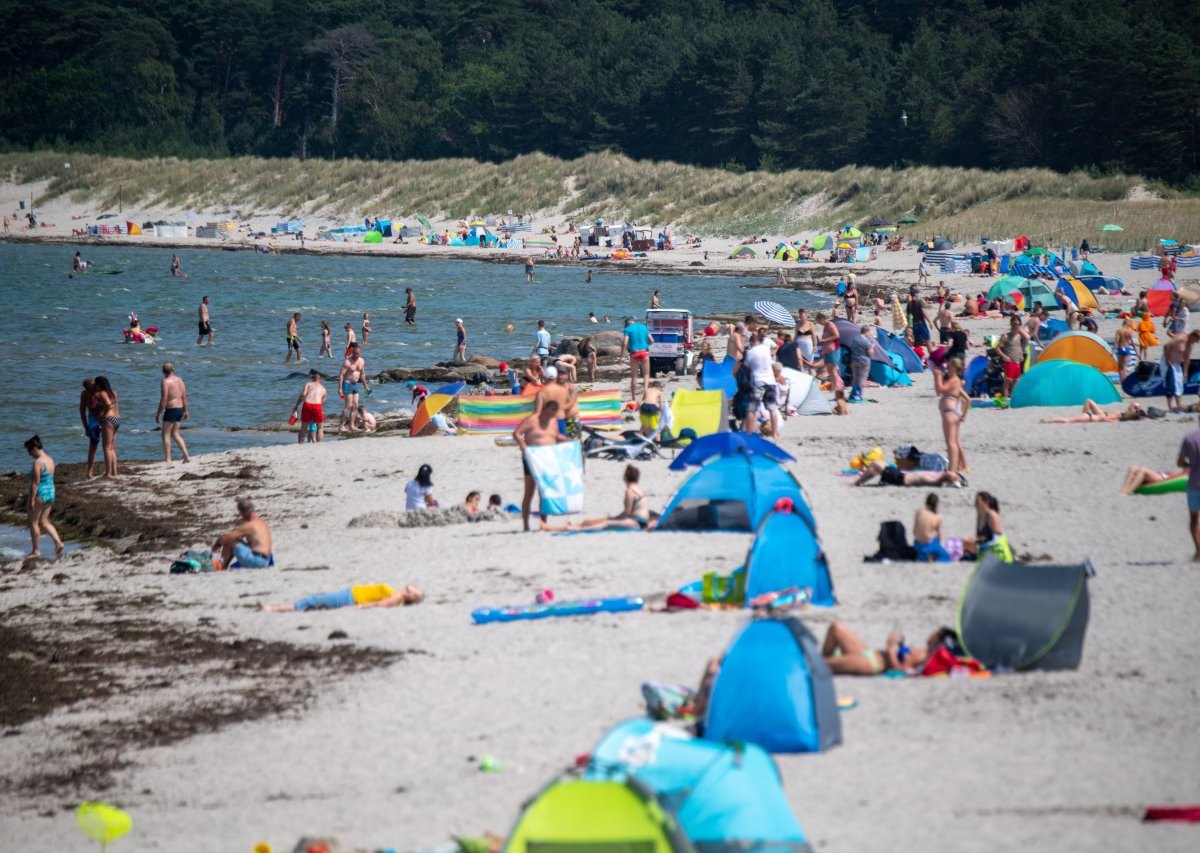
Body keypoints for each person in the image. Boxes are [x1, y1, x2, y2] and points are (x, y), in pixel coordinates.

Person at [513, 398, 570, 532]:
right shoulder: (532, 420)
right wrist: (522, 445)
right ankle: (526, 525)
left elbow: (555, 436)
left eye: (553, 414)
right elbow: (517, 433)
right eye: (550, 413)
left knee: (544, 492)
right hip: (532, 458)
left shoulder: (553, 422)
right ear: (544, 409)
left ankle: (543, 524)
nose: (551, 416)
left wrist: (568, 440)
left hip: (547, 459)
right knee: (529, 492)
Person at [542, 465, 652, 531]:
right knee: (588, 521)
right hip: (640, 521)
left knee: (603, 524)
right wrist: (613, 517)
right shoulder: (640, 489)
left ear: (625, 478)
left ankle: (565, 528)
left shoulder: (630, 491)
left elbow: (626, 513)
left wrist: (613, 518)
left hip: (636, 523)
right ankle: (577, 525)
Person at [821, 622, 955, 676]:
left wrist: (890, 647)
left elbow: (900, 670)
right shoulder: (922, 651)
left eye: (935, 633)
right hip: (869, 654)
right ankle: (824, 656)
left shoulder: (923, 655)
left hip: (872, 664)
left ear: (938, 640)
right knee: (836, 628)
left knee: (821, 665)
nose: (931, 634)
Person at [24, 435, 64, 559]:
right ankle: (58, 542)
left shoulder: (38, 463)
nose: (30, 454)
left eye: (30, 451)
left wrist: (31, 500)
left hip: (40, 494)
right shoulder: (50, 460)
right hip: (51, 493)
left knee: (33, 522)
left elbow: (36, 483)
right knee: (44, 521)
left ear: (34, 448)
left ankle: (36, 550)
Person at [261, 583, 424, 612]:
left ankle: (272, 608)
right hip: (350, 595)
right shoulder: (397, 593)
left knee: (311, 601)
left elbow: (380, 605)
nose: (415, 588)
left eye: (416, 593)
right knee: (313, 601)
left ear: (411, 597)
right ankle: (274, 608)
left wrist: (356, 608)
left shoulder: (397, 598)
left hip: (350, 599)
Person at [212, 497, 273, 570]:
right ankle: (222, 565)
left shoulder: (249, 525)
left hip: (255, 561)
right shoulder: (262, 523)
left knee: (230, 540)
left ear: (243, 513)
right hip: (265, 561)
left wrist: (214, 548)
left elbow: (225, 539)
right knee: (235, 540)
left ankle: (220, 566)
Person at [933, 358, 969, 472]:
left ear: (954, 367)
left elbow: (941, 390)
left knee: (951, 443)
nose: (946, 369)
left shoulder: (954, 380)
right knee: (955, 441)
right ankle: (961, 466)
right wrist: (963, 414)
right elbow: (968, 399)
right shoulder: (957, 380)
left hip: (949, 413)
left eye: (948, 367)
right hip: (953, 412)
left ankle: (952, 470)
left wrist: (937, 376)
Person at [744, 327, 779, 435]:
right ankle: (775, 433)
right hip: (771, 380)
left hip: (758, 380)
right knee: (772, 408)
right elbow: (771, 359)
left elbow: (747, 367)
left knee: (752, 409)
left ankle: (749, 434)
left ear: (751, 342)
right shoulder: (765, 349)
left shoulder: (750, 352)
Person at [155, 362, 191, 464]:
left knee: (165, 434)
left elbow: (164, 399)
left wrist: (159, 413)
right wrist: (185, 410)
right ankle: (186, 456)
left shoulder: (165, 382)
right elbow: (184, 397)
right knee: (175, 434)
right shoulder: (180, 380)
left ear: (163, 371)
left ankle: (168, 458)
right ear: (173, 370)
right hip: (179, 409)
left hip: (171, 409)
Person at [962, 491, 1012, 562]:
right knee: (966, 540)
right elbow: (979, 535)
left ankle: (976, 556)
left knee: (971, 541)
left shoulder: (992, 514)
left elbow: (997, 536)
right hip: (984, 542)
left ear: (985, 502)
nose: (975, 504)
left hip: (994, 544)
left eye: (978, 501)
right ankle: (973, 556)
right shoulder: (979, 516)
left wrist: (978, 540)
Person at [1178, 416, 1200, 561]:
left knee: (1194, 519)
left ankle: (1199, 552)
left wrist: (1190, 466)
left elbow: (1180, 462)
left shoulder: (1189, 438)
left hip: (1194, 483)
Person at [1161, 330, 1200, 412]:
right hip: (1168, 362)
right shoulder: (1180, 338)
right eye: (1197, 340)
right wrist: (1168, 360)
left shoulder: (1190, 345)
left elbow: (1186, 359)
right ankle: (1170, 406)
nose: (1197, 342)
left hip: (1177, 365)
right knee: (1170, 384)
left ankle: (1178, 405)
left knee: (1179, 384)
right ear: (1193, 336)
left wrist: (1185, 372)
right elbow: (1166, 346)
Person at [854, 460, 963, 487]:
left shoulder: (937, 481)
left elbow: (950, 480)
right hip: (900, 475)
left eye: (954, 475)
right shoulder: (938, 476)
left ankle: (859, 482)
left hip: (900, 479)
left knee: (876, 464)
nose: (952, 472)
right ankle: (860, 482)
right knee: (877, 465)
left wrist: (954, 480)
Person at [92, 375, 120, 478]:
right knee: (112, 447)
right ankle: (114, 472)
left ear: (99, 385)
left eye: (96, 384)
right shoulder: (114, 392)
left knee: (107, 448)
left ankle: (108, 473)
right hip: (117, 419)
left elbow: (109, 405)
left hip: (108, 420)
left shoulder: (102, 393)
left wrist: (104, 414)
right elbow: (115, 405)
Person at [623, 315, 654, 400]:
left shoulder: (627, 329)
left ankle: (633, 397)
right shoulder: (644, 327)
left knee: (634, 376)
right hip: (644, 352)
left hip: (634, 353)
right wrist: (646, 346)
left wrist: (623, 355)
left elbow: (625, 343)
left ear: (626, 324)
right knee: (646, 374)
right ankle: (645, 392)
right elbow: (652, 340)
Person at [338, 342, 368, 432]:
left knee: (355, 406)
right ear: (352, 352)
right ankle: (341, 426)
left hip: (355, 385)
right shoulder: (347, 362)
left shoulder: (362, 361)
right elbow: (341, 375)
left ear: (360, 353)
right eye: (354, 353)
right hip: (347, 384)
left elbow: (362, 374)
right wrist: (340, 388)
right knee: (348, 405)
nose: (356, 355)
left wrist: (365, 386)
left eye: (358, 354)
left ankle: (351, 426)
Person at [998, 315, 1030, 398]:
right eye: (1014, 324)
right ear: (1011, 324)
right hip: (1009, 362)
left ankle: (1012, 399)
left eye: (1018, 324)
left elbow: (1023, 342)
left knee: (1016, 382)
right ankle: (1005, 400)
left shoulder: (1019, 336)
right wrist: (1004, 357)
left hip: (1017, 362)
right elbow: (997, 348)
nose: (1016, 326)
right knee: (1007, 381)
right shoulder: (1005, 336)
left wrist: (1021, 354)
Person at [913, 493, 951, 562]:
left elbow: (914, 532)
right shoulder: (937, 517)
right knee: (946, 556)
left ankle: (924, 556)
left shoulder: (919, 512)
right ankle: (932, 555)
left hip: (917, 544)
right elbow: (939, 537)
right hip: (928, 544)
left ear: (926, 502)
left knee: (923, 552)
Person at [293, 369, 328, 443]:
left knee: (304, 427)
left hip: (307, 404)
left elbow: (303, 395)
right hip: (317, 406)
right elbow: (323, 403)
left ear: (312, 379)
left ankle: (301, 443)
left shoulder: (308, 384)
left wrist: (296, 405)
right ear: (320, 380)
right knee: (320, 428)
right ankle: (319, 443)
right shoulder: (324, 389)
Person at [1040, 400, 1146, 423]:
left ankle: (1047, 421)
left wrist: (1107, 420)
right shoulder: (1123, 415)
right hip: (1096, 416)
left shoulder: (1120, 415)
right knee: (1088, 401)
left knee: (1068, 420)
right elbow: (1134, 404)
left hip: (1093, 417)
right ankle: (1048, 420)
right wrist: (1138, 409)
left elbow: (1107, 419)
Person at [79, 378, 101, 479]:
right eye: (89, 387)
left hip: (104, 417)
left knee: (108, 445)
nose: (91, 388)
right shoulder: (85, 394)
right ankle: (90, 471)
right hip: (93, 418)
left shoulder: (100, 391)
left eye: (92, 386)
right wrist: (86, 427)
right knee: (93, 445)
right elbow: (82, 411)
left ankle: (110, 469)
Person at [848, 326, 873, 403]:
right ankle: (860, 395)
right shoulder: (866, 341)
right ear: (866, 331)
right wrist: (872, 347)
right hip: (864, 361)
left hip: (854, 360)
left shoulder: (855, 339)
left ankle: (854, 394)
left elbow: (851, 348)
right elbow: (870, 353)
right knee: (862, 378)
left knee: (855, 378)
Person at [817, 312, 840, 387]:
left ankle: (837, 387)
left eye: (819, 321)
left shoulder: (830, 324)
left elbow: (836, 335)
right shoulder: (826, 326)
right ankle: (833, 387)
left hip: (833, 349)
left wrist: (825, 340)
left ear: (822, 319)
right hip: (828, 350)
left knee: (833, 370)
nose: (819, 323)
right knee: (830, 370)